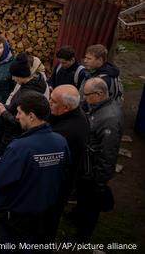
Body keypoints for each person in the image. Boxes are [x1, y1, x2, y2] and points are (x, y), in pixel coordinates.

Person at [0, 91, 70, 251]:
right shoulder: (61, 142)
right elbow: (63, 173)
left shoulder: (20, 147)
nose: (17, 117)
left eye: (19, 113)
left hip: (14, 217)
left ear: (31, 116)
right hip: (43, 213)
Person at [0, 52, 48, 218]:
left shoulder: (30, 94)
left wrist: (3, 113)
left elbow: (20, 122)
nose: (13, 79)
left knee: (2, 170)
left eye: (16, 76)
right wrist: (6, 108)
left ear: (23, 75)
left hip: (14, 137)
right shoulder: (28, 86)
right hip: (11, 135)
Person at [70, 77, 123, 242]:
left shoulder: (110, 119)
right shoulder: (98, 107)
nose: (84, 98)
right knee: (83, 197)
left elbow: (108, 154)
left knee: (91, 204)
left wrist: (100, 182)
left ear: (99, 94)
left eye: (87, 94)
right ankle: (77, 215)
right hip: (86, 166)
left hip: (93, 171)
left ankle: (83, 235)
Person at [44, 84, 89, 242]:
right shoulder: (73, 115)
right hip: (61, 180)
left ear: (66, 107)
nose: (49, 102)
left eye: (54, 101)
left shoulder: (67, 131)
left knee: (46, 223)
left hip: (57, 184)